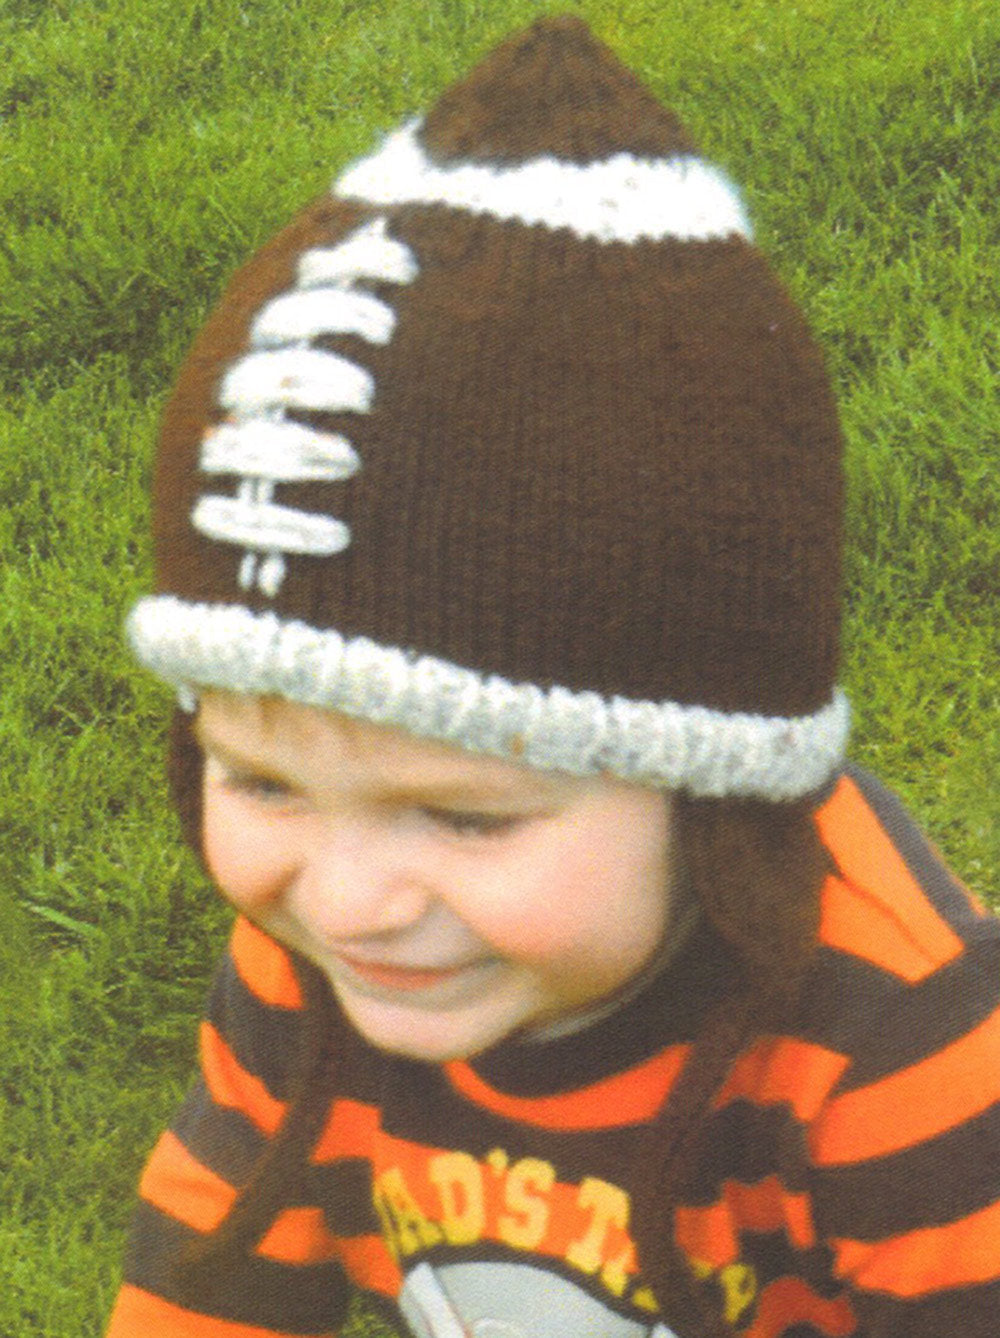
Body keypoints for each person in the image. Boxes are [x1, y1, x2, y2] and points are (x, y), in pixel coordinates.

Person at [106, 15, 1000, 1338]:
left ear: (711, 788)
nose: (347, 900)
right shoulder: (312, 965)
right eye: (261, 780)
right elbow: (207, 1276)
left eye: (463, 815)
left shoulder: (904, 1037)